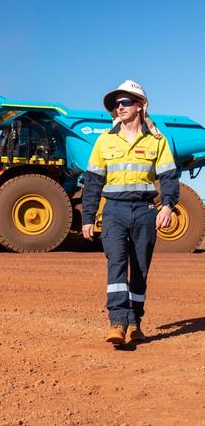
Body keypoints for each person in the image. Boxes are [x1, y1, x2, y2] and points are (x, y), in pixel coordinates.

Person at [82, 80, 179, 346]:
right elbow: (92, 182)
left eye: (125, 102)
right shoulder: (104, 141)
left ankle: (135, 322)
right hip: (113, 210)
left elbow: (169, 177)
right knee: (116, 263)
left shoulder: (157, 142)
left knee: (140, 270)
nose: (120, 107)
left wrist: (168, 206)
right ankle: (117, 322)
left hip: (145, 211)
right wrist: (88, 217)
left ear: (140, 106)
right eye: (117, 103)